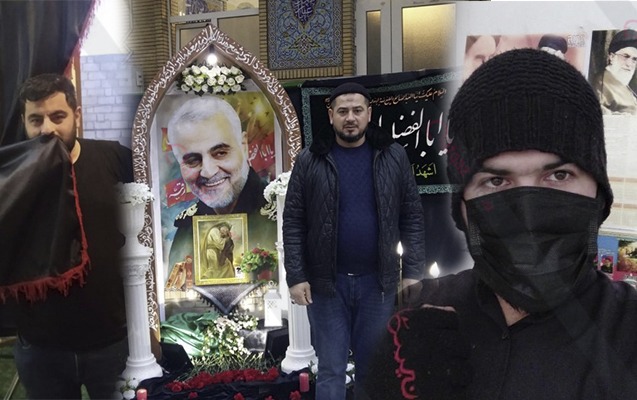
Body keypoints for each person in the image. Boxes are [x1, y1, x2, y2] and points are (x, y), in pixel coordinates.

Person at [363, 48, 637, 400]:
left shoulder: (628, 333)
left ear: (599, 193)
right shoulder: (414, 316)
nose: (527, 214)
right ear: (462, 206)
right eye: (496, 181)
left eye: (558, 175)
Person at [282, 82, 427, 399]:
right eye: (343, 111)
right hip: (326, 286)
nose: (350, 118)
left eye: (357, 110)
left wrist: (413, 272)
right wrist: (296, 275)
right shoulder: (310, 160)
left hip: (378, 285)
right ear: (331, 115)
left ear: (369, 114)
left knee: (373, 370)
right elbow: (293, 221)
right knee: (331, 371)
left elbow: (412, 217)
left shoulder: (393, 156)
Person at [9, 73, 134, 399]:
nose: (47, 129)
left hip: (112, 343)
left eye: (57, 116)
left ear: (77, 115)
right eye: (36, 120)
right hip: (41, 351)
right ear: (23, 122)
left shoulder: (114, 159)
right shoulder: (10, 180)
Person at [166, 96, 274, 273]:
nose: (208, 172)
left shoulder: (279, 215)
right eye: (192, 160)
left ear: (244, 146)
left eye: (220, 153)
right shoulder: (186, 227)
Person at [592, 29, 637, 115]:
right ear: (611, 57)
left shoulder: (623, 84)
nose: (629, 64)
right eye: (625, 56)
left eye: (634, 59)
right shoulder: (601, 83)